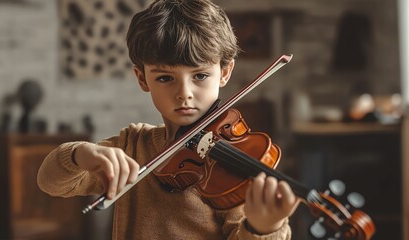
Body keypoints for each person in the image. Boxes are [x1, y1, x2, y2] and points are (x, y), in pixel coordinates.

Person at [37, 0, 298, 239]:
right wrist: (80, 154)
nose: (184, 94)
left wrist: (264, 229)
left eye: (200, 76)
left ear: (224, 72)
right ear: (142, 79)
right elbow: (50, 183)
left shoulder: (228, 172)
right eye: (165, 78)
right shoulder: (132, 145)